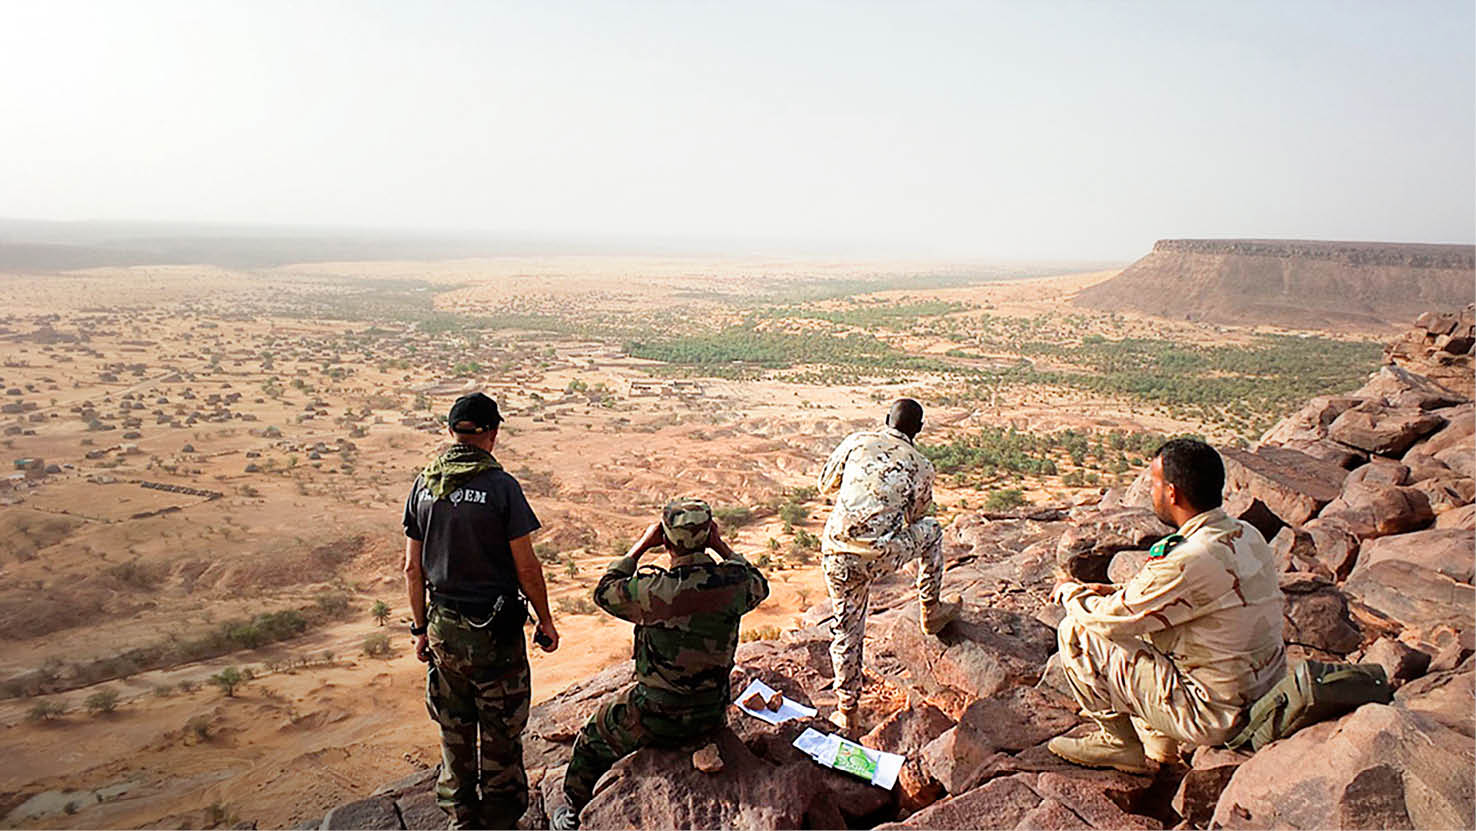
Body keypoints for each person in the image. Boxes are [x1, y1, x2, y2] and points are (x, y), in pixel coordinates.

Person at [1047, 438, 1286, 773]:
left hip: (1214, 715)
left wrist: (1071, 593)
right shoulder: (1245, 533)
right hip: (1264, 691)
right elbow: (1197, 595)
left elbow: (1111, 621)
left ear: (1172, 493)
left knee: (1077, 632)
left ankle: (1118, 744)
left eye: (1155, 483)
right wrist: (1117, 589)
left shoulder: (1189, 558)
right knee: (1156, 627)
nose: (1152, 491)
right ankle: (1161, 744)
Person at [552, 497, 769, 831]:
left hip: (656, 716)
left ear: (666, 540)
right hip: (711, 713)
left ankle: (572, 813)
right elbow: (759, 582)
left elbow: (604, 590)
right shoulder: (734, 585)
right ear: (709, 533)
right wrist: (721, 545)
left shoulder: (652, 590)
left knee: (593, 736)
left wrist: (641, 545)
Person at [402, 392, 560, 829]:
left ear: (452, 432)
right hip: (494, 634)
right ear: (491, 433)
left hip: (443, 629)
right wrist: (544, 620)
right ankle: (502, 819)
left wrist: (419, 629)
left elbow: (412, 569)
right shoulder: (501, 487)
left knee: (453, 731)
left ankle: (461, 819)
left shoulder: (425, 483)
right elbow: (526, 565)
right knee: (502, 733)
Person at [816, 398, 959, 733]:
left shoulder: (857, 441)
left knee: (847, 627)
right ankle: (931, 610)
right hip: (882, 554)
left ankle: (847, 712)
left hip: (837, 554)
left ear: (885, 419)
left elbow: (825, 485)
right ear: (919, 430)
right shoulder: (921, 465)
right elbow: (917, 518)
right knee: (933, 531)